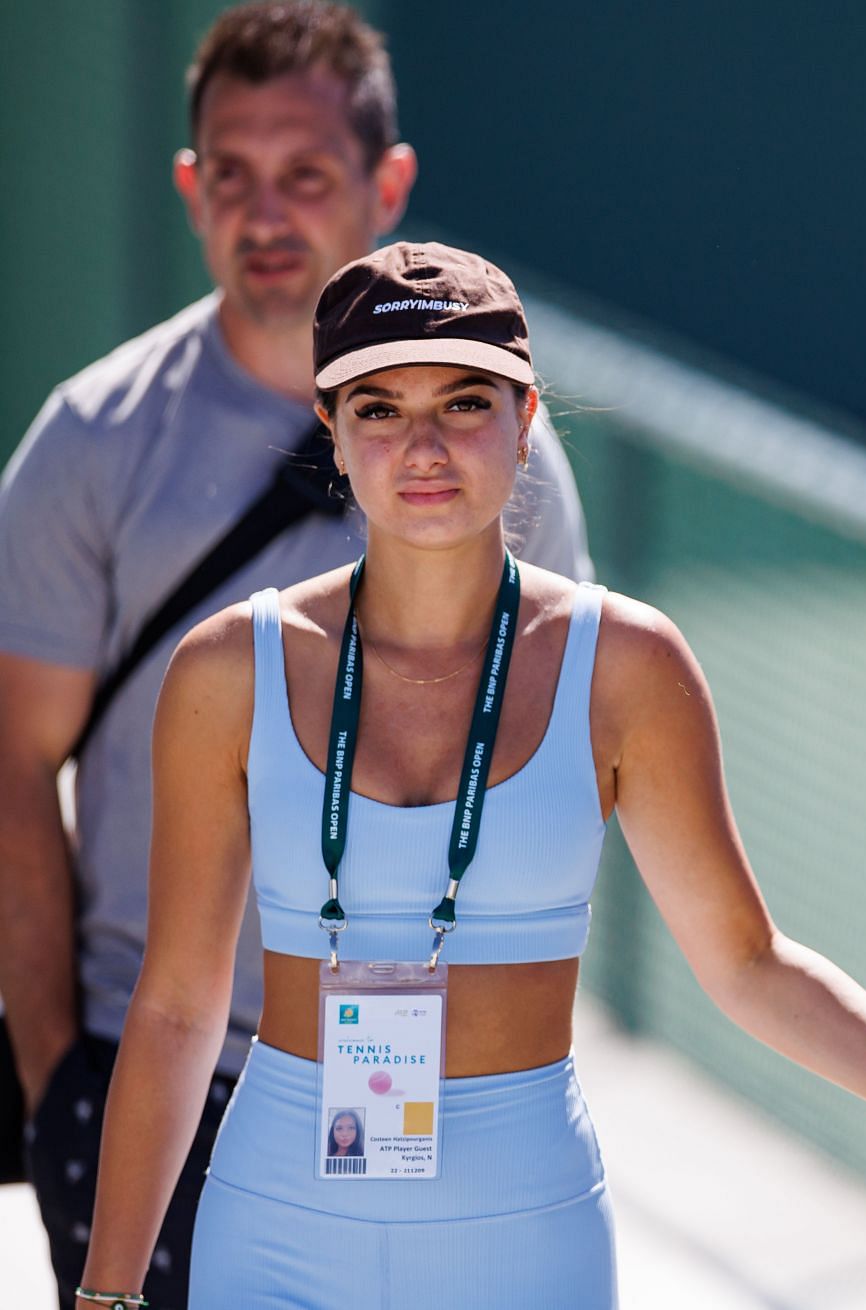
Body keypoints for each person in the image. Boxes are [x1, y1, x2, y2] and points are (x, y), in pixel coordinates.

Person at [72, 241, 866, 1310]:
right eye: (380, 407)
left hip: (525, 1240)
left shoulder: (627, 666)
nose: (423, 444)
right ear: (331, 433)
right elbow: (173, 1008)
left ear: (527, 421)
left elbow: (747, 962)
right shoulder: (226, 670)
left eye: (465, 401)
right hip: (274, 1233)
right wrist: (107, 1295)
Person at [0, 6, 593, 1303]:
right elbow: (9, 765)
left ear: (388, 184)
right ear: (187, 187)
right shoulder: (91, 440)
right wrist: (56, 1078)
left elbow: (554, 755)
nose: (265, 212)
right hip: (157, 1074)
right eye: (232, 174)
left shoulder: (508, 459)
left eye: (307, 175)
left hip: (419, 1093)